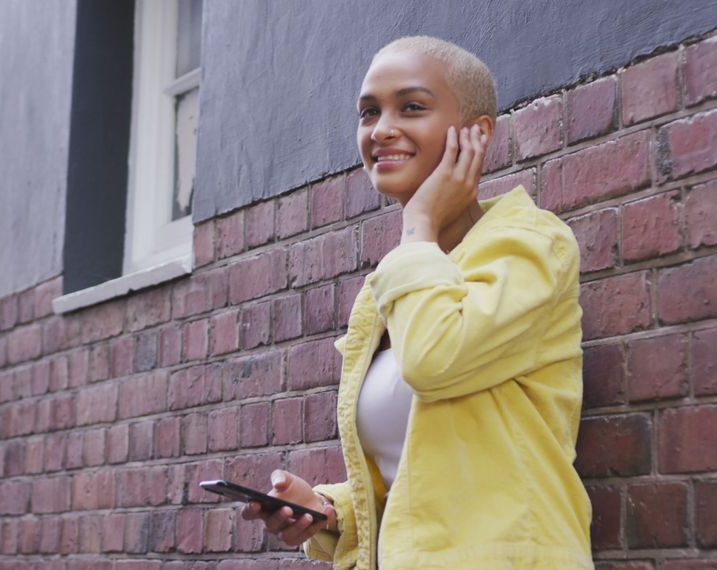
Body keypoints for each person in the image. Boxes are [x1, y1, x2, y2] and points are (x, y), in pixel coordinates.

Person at [240, 35, 592, 569]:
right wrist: (329, 511)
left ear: (477, 132)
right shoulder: (400, 280)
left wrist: (419, 224)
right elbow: (421, 476)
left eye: (411, 107)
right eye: (368, 112)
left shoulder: (531, 245)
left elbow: (435, 361)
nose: (381, 129)